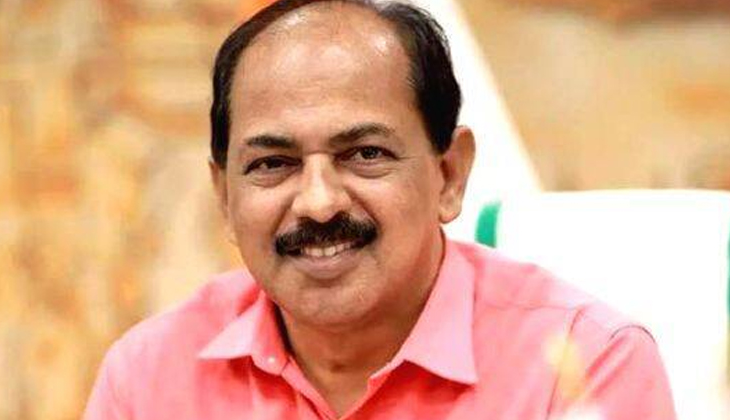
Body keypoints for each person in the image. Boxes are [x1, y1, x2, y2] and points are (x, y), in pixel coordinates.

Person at [83, 1, 677, 419]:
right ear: (224, 196)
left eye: (365, 154)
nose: (319, 203)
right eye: (273, 163)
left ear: (449, 174)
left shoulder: (582, 365)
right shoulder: (149, 377)